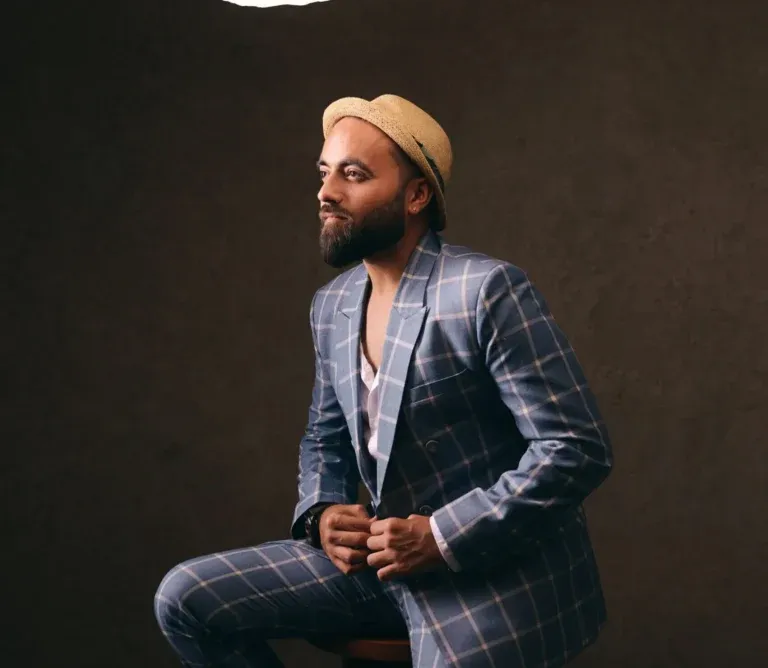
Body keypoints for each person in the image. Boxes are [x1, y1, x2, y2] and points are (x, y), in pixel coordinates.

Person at [154, 94, 613, 668]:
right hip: (377, 569)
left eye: (354, 174)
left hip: (487, 574)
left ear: (416, 195)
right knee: (187, 600)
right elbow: (324, 438)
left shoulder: (484, 291)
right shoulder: (333, 304)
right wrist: (322, 513)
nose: (326, 192)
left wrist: (440, 536)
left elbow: (575, 448)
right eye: (324, 172)